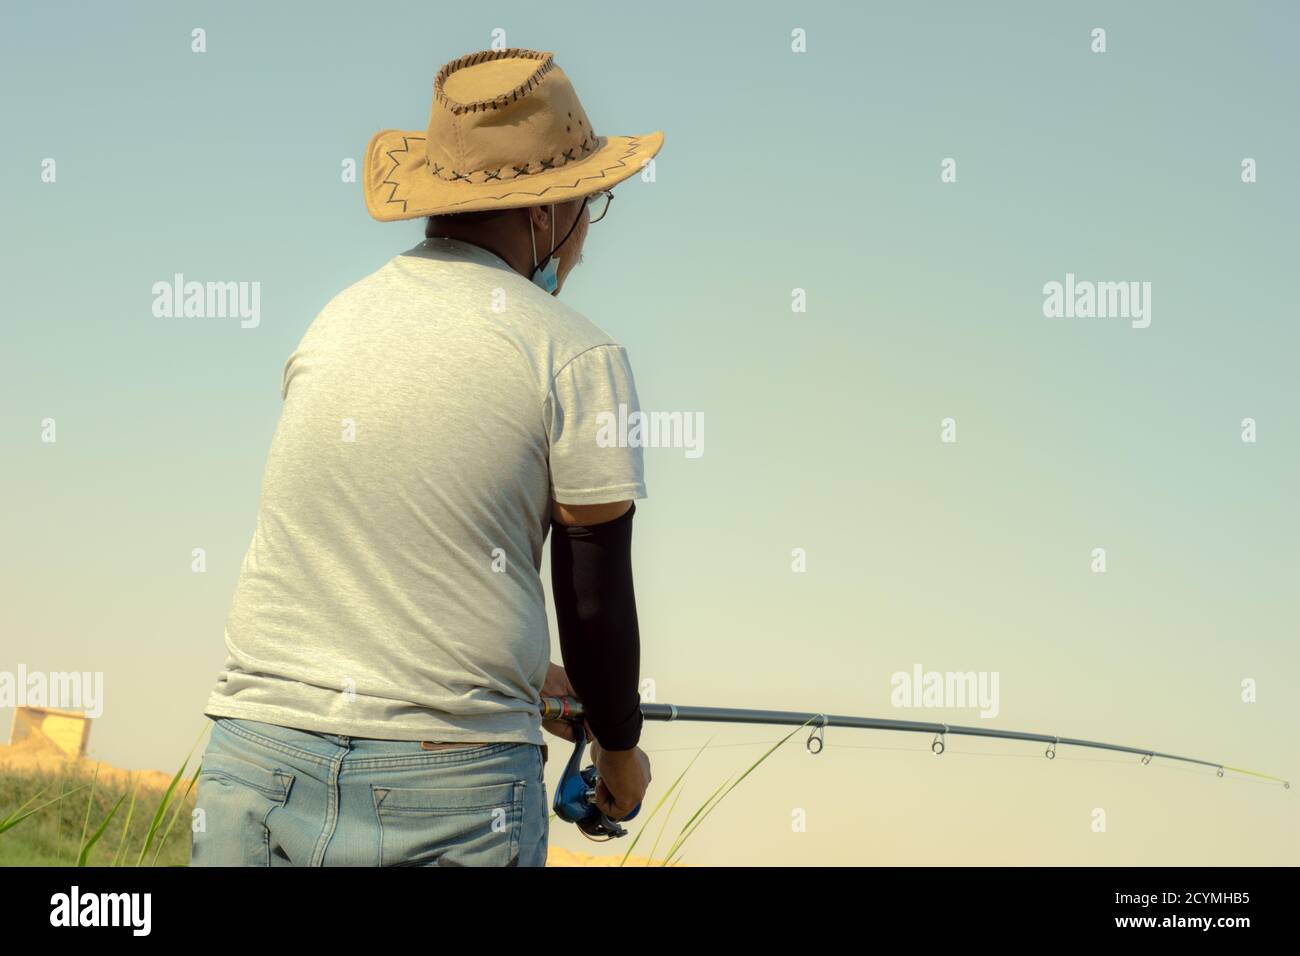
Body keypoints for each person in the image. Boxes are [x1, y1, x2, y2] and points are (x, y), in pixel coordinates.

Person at [191, 48, 664, 866]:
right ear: (548, 212)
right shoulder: (574, 353)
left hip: (257, 758)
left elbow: (379, 544)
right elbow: (594, 599)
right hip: (449, 788)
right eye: (593, 202)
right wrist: (619, 751)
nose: (588, 230)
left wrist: (520, 669)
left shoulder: (335, 323)